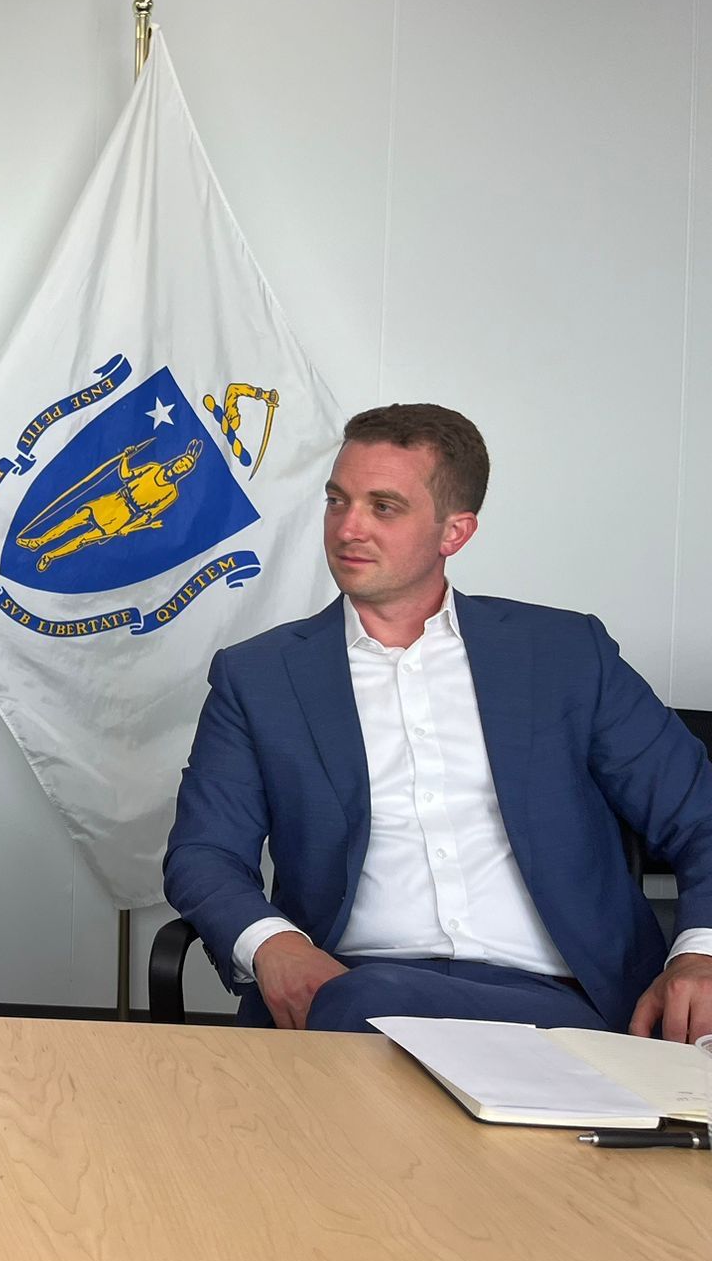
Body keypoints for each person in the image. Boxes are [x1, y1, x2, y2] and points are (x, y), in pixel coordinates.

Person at [164, 403, 712, 1041]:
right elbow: (205, 851)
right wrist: (271, 943)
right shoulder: (259, 676)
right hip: (347, 989)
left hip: (560, 999)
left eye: (384, 507)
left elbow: (700, 816)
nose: (348, 528)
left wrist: (699, 953)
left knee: (371, 1017)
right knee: (363, 1003)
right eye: (337, 501)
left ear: (455, 532)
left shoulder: (564, 654)